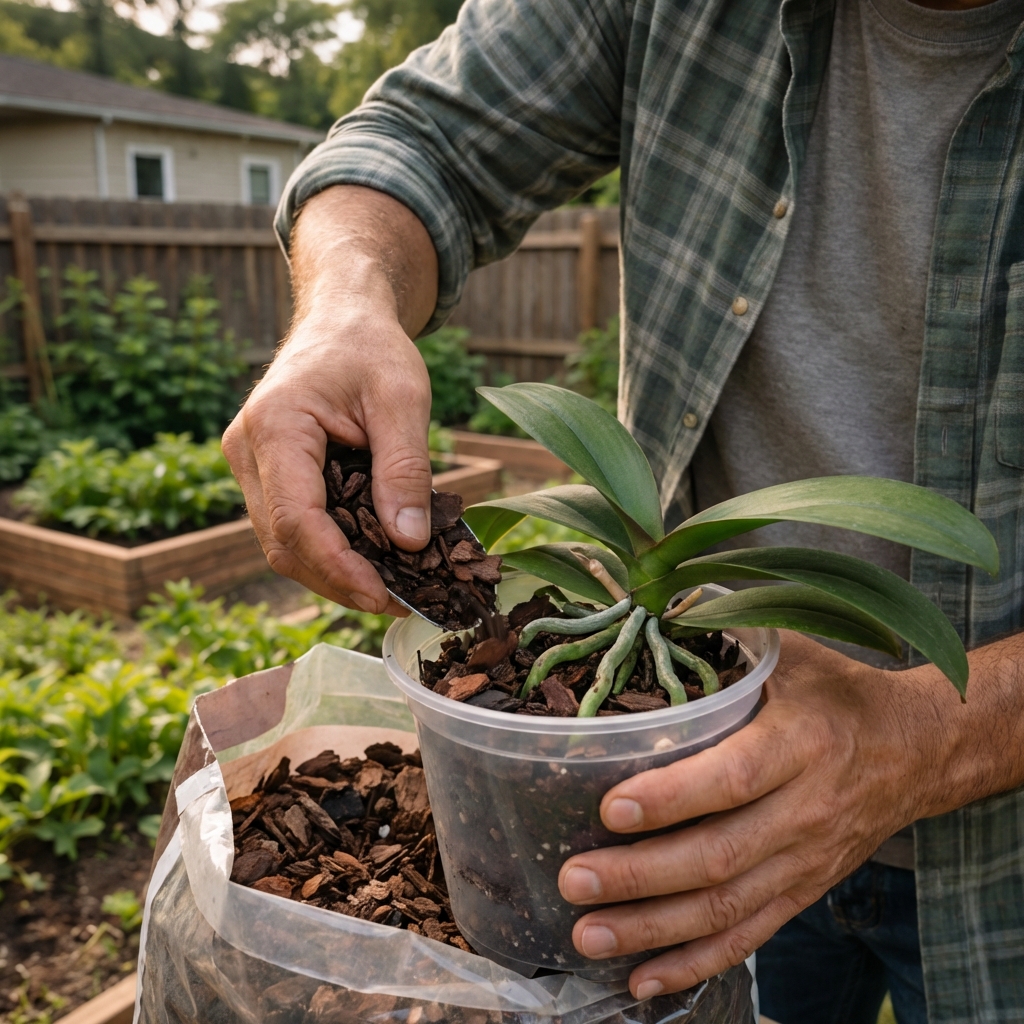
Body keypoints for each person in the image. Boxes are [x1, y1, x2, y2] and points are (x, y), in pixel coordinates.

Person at [221, 0, 1024, 1016]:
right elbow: (417, 141)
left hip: (997, 851)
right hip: (688, 808)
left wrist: (929, 739)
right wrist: (346, 298)